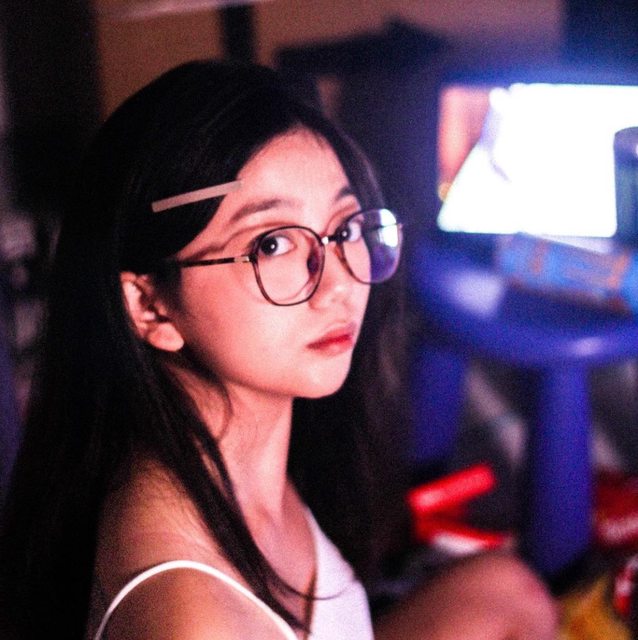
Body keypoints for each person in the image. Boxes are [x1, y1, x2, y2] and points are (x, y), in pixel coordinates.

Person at [0, 59, 558, 639]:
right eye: (272, 244)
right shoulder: (194, 621)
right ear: (150, 307)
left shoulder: (232, 450)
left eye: (345, 228)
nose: (339, 282)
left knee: (506, 591)